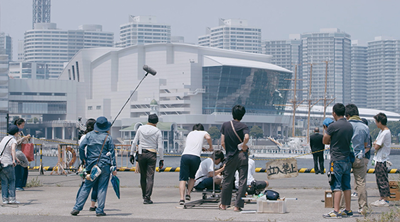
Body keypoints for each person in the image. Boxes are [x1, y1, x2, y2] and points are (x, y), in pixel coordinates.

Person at [71, 116, 117, 216]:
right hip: (105, 165)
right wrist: (114, 168)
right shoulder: (107, 137)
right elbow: (112, 154)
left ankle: (77, 207)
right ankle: (100, 210)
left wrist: (84, 159)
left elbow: (81, 147)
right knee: (102, 187)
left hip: (91, 164)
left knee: (86, 186)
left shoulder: (89, 135)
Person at [322, 103, 353, 219]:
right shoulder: (350, 126)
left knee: (336, 185)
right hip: (347, 159)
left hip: (336, 159)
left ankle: (336, 210)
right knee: (346, 185)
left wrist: (327, 132)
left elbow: (325, 141)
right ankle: (348, 209)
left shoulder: (333, 126)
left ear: (334, 113)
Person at [339, 104, 369, 214]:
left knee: (345, 182)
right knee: (361, 182)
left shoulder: (346, 125)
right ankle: (363, 207)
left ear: (347, 115)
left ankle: (343, 206)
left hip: (346, 157)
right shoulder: (365, 127)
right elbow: (366, 144)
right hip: (359, 157)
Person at [219, 105, 250, 212]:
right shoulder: (244, 126)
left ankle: (223, 204)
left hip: (230, 156)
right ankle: (237, 206)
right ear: (242, 115)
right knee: (242, 181)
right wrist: (244, 145)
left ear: (232, 113)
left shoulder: (225, 125)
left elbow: (222, 142)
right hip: (242, 155)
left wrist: (228, 150)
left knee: (227, 180)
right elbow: (246, 137)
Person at [129, 114, 164, 204]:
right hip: (152, 154)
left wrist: (131, 154)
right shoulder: (157, 131)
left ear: (148, 120)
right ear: (156, 122)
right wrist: (161, 159)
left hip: (141, 153)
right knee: (150, 176)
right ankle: (147, 198)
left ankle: (144, 194)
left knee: (143, 176)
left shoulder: (140, 128)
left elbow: (134, 142)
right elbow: (160, 147)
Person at [179, 123, 213, 205]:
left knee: (183, 179)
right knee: (192, 177)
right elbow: (208, 137)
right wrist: (210, 147)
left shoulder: (190, 133)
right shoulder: (203, 132)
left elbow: (192, 145)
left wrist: (202, 148)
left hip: (185, 156)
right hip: (195, 157)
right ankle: (188, 194)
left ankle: (181, 198)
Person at [76, 118, 98, 211]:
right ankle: (92, 205)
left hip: (84, 163)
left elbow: (81, 148)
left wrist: (83, 159)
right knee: (95, 184)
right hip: (93, 162)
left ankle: (78, 202)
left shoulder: (82, 137)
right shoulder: (95, 136)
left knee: (84, 184)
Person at [370, 113, 391, 207]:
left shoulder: (385, 132)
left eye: (376, 121)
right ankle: (381, 198)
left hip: (382, 160)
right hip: (379, 159)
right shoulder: (382, 131)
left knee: (382, 180)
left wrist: (375, 144)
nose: (375, 123)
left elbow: (376, 146)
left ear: (380, 122)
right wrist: (375, 143)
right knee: (379, 180)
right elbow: (376, 144)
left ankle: (385, 199)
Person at [0, 125, 21, 204]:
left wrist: (15, 158)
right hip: (8, 162)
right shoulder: (13, 140)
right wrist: (13, 160)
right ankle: (12, 198)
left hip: (1, 162)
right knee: (12, 180)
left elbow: (5, 150)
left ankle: (5, 199)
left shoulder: (4, 138)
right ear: (16, 133)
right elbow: (12, 149)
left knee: (4, 181)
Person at [14, 118, 31, 191]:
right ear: (18, 125)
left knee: (24, 169)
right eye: (22, 125)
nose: (23, 127)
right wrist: (23, 139)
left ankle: (22, 184)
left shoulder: (21, 132)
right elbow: (15, 142)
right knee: (19, 170)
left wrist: (27, 138)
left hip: (22, 153)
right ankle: (18, 185)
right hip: (17, 153)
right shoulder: (15, 132)